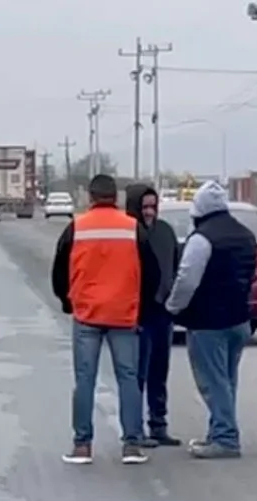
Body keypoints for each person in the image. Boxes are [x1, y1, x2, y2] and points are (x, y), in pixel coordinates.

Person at [51, 174, 160, 465]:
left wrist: (67, 301)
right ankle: (132, 445)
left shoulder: (76, 228)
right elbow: (152, 273)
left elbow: (59, 271)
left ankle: (82, 445)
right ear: (117, 197)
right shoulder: (132, 228)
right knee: (128, 379)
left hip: (87, 314)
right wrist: (142, 309)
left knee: (85, 380)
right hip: (124, 315)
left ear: (90, 197)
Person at [164, 180, 256, 459]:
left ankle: (225, 438)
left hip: (208, 322)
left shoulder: (202, 239)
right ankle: (219, 429)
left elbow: (187, 279)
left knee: (213, 382)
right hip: (240, 319)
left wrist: (173, 306)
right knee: (227, 381)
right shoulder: (246, 235)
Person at [124, 183, 183, 447]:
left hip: (163, 312)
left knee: (159, 371)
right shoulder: (126, 234)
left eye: (153, 207)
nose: (149, 212)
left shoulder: (165, 232)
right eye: (144, 207)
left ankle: (158, 423)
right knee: (137, 373)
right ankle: (134, 429)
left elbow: (177, 265)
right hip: (136, 314)